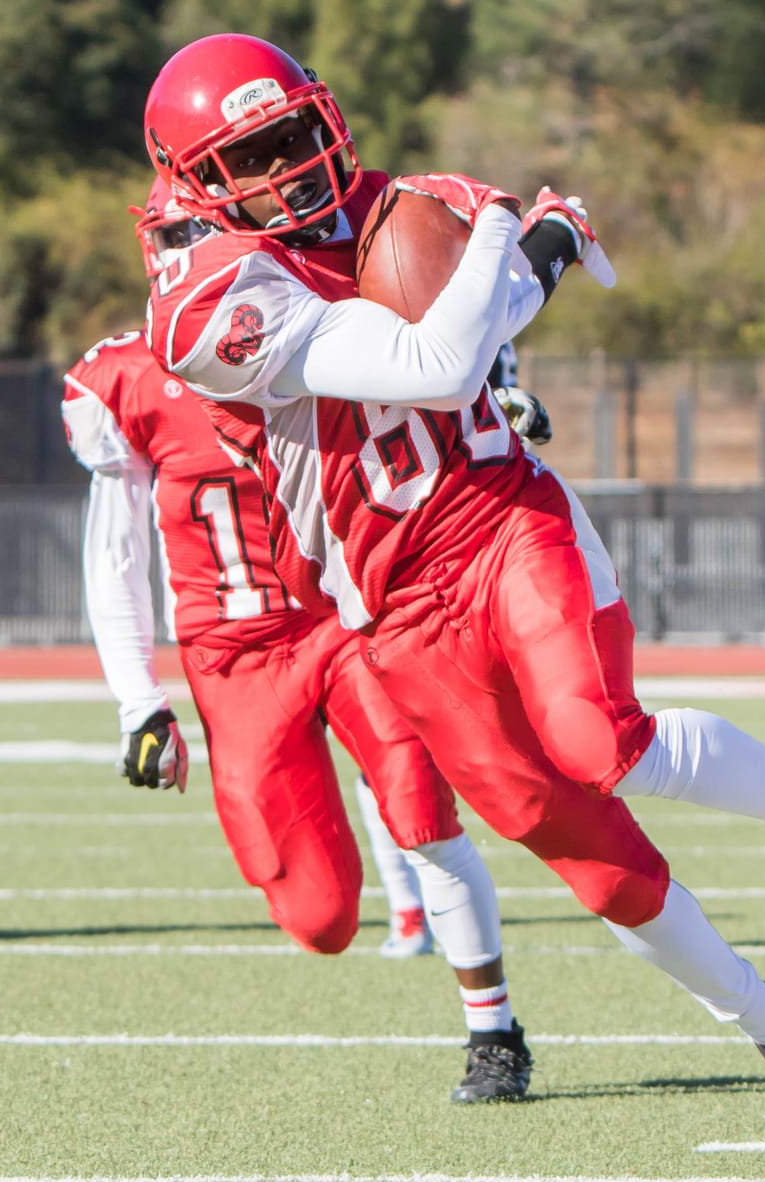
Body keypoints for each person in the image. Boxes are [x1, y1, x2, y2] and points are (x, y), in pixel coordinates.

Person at [138, 34, 765, 1111]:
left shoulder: (409, 204)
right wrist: (517, 236)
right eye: (256, 154)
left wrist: (523, 248)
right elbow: (439, 361)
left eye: (295, 132)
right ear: (197, 179)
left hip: (498, 520)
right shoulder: (204, 297)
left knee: (596, 739)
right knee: (588, 856)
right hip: (390, 607)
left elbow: (492, 313)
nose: (291, 163)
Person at [64, 197, 554, 1099]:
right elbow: (117, 550)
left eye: (199, 236)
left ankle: (495, 1033)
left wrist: (497, 400)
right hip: (234, 655)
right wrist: (139, 699)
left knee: (424, 813)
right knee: (319, 915)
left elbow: (430, 362)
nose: (186, 256)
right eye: (173, 241)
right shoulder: (129, 378)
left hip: (345, 614)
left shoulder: (311, 319)